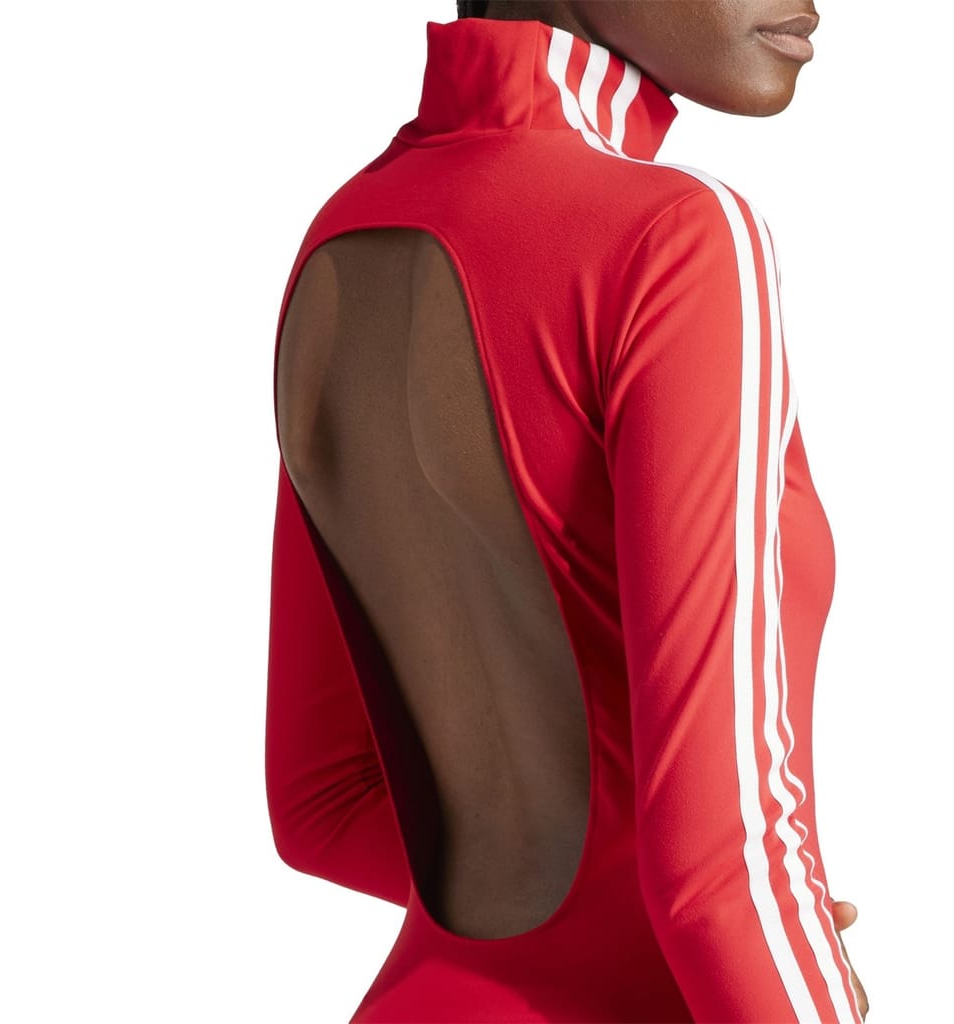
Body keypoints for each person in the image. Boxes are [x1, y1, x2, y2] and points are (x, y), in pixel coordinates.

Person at [265, 1, 869, 1020]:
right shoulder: (680, 236)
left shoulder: (351, 225)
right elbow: (720, 878)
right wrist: (766, 933)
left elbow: (322, 805)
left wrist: (762, 923)